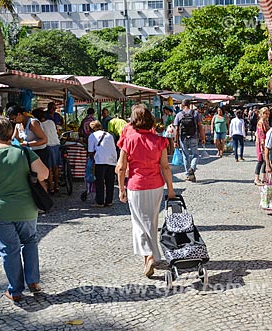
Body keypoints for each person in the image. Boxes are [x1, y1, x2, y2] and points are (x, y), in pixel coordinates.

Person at [115, 105, 175, 278]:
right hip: (156, 185)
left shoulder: (129, 141)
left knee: (139, 222)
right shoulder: (159, 141)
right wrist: (170, 189)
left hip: (136, 185)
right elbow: (165, 167)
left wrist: (121, 189)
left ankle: (148, 255)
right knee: (152, 220)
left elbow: (121, 167)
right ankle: (152, 254)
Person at [0, 116, 49, 302]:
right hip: (27, 209)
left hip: (0, 211)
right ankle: (33, 281)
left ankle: (15, 291)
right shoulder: (24, 152)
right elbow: (44, 174)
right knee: (30, 241)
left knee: (9, 249)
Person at [7, 105, 50, 174]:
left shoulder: (33, 123)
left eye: (14, 119)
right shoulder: (18, 124)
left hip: (39, 152)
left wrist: (27, 144)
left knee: (40, 177)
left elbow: (44, 140)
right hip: (29, 153)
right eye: (11, 120)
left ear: (19, 114)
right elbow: (14, 138)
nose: (13, 121)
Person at [173, 99, 206, 182]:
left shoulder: (179, 115)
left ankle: (188, 174)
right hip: (194, 136)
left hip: (183, 137)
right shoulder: (195, 114)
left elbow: (176, 129)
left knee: (185, 156)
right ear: (190, 104)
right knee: (195, 155)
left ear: (182, 105)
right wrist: (203, 137)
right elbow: (200, 126)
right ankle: (192, 168)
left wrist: (175, 141)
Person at [88, 121, 117, 207]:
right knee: (110, 181)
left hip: (100, 160)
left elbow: (90, 151)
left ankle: (99, 201)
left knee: (100, 182)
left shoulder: (92, 136)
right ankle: (109, 200)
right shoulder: (109, 135)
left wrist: (92, 160)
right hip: (112, 160)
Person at [32, 109, 61, 194]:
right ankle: (56, 186)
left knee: (49, 168)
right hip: (56, 144)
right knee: (56, 167)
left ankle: (50, 188)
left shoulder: (39, 125)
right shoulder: (51, 122)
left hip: (48, 146)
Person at [254, 107, 270, 186]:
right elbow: (261, 135)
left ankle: (264, 177)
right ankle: (256, 178)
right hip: (261, 144)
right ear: (262, 114)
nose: (267, 115)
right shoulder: (261, 122)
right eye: (266, 113)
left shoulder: (265, 122)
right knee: (260, 161)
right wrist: (263, 146)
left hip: (265, 143)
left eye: (268, 113)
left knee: (265, 160)